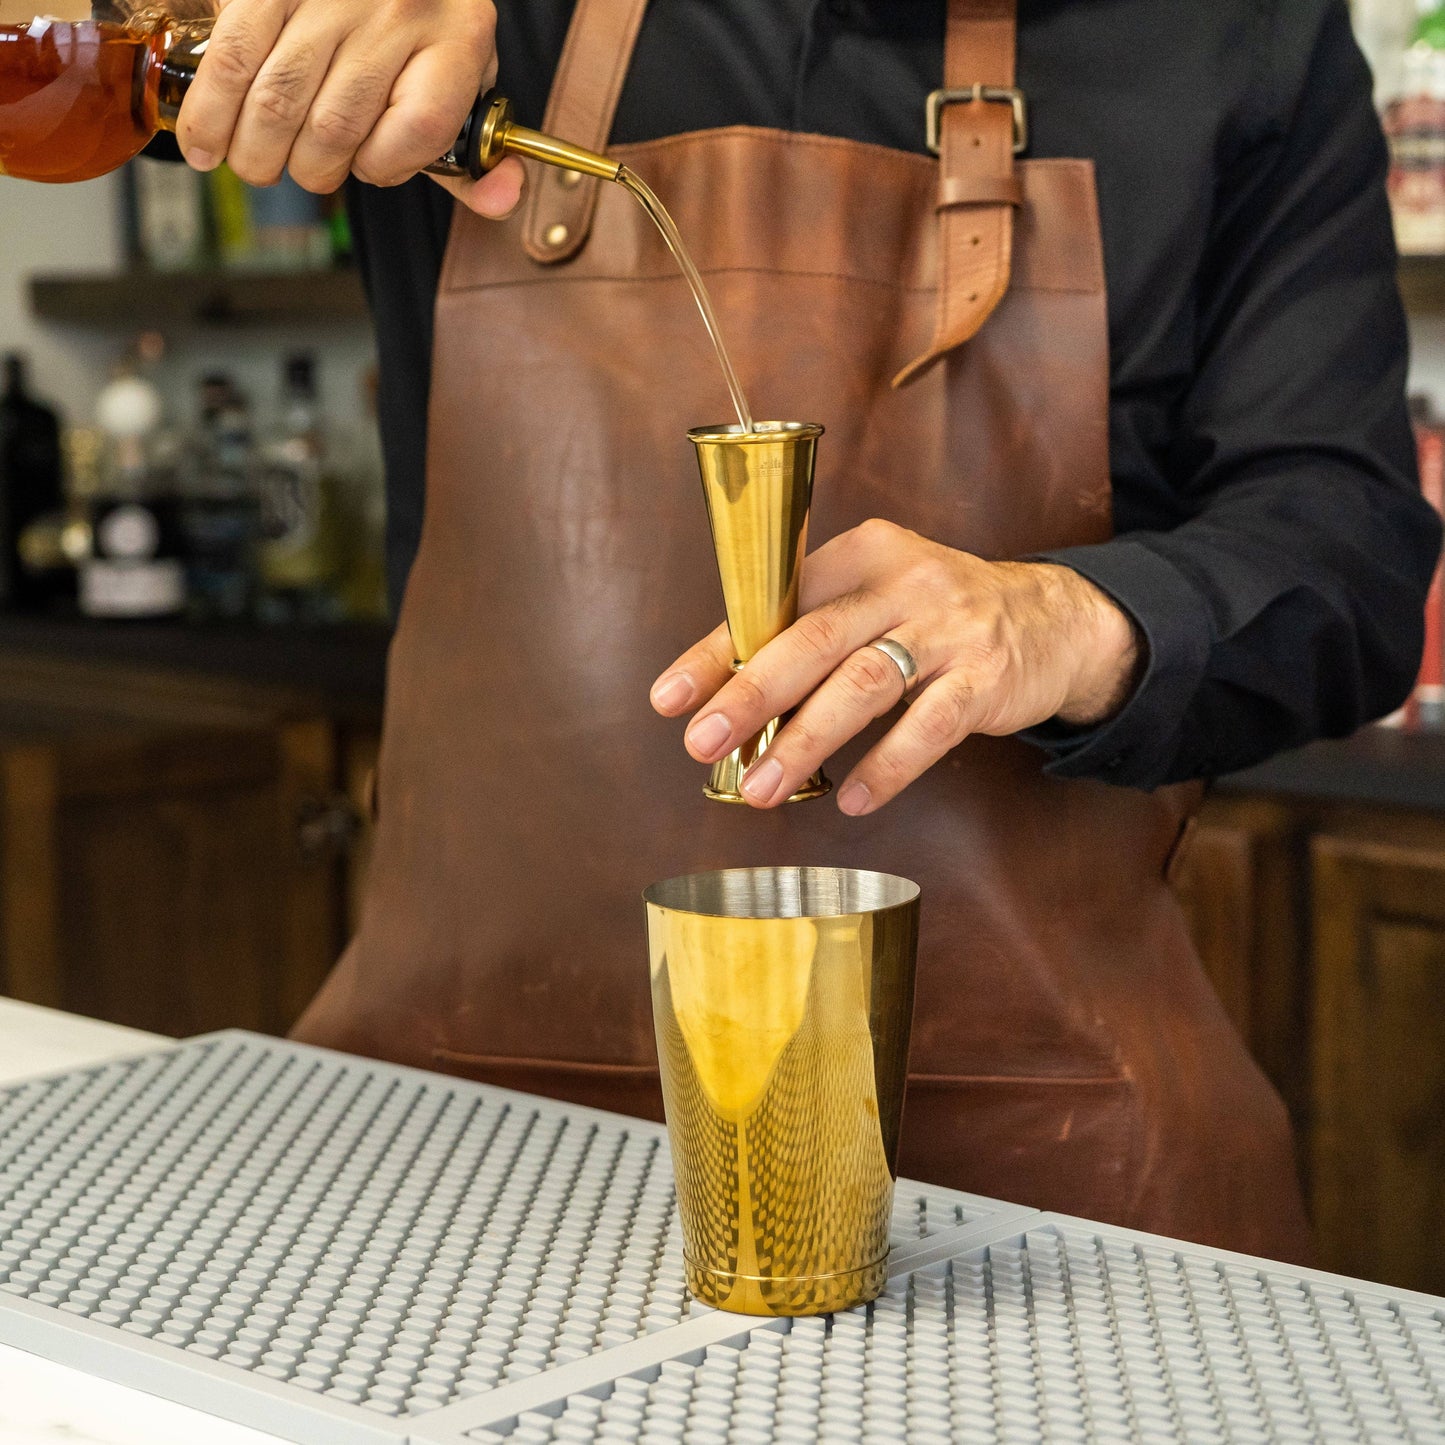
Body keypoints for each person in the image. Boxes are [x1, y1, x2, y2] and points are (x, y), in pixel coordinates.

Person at [176, 0, 1439, 1262]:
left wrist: (1061, 618)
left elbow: (1351, 548)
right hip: (457, 1143)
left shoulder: (1235, 34)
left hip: (1032, 1179)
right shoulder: (495, 19)